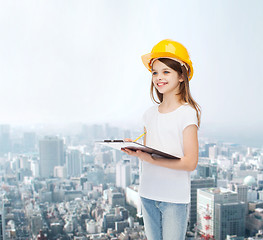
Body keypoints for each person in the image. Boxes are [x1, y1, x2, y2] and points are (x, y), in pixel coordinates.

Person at [121, 39, 201, 240]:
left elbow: (190, 162)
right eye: (155, 72)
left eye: (166, 72)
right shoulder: (149, 114)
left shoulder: (187, 113)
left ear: (182, 76)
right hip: (148, 193)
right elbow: (151, 152)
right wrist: (136, 149)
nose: (159, 77)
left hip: (173, 198)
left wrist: (152, 159)